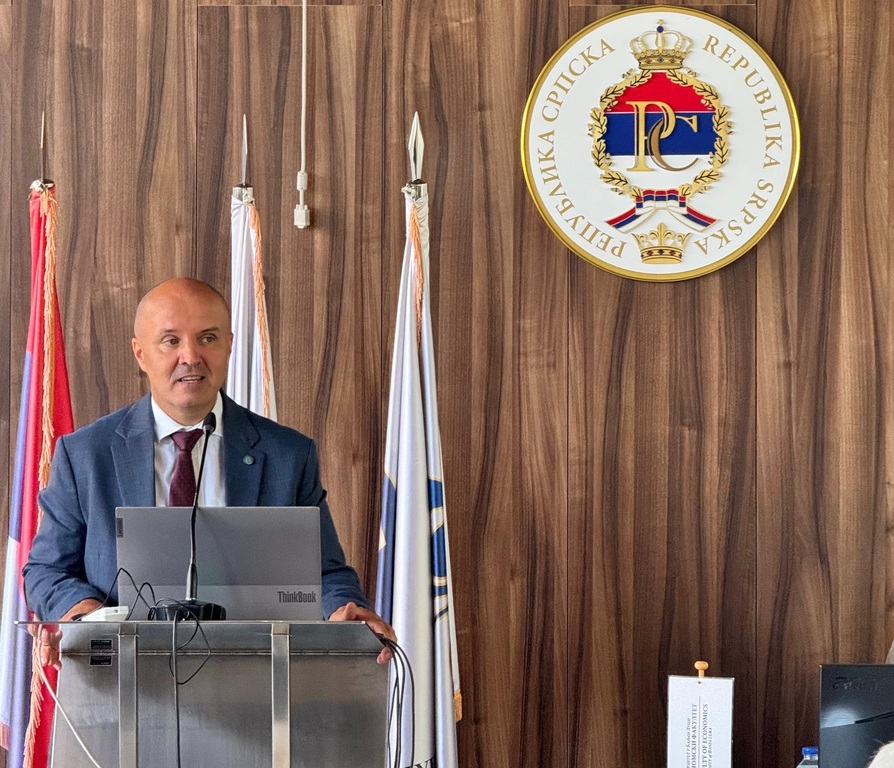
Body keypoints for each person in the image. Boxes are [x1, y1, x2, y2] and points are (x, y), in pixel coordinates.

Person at [24, 277, 394, 665]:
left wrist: (344, 612)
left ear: (229, 345)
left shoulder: (288, 455)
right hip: (123, 675)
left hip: (252, 676)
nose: (191, 356)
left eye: (208, 338)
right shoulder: (85, 454)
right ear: (140, 353)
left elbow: (323, 572)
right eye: (171, 341)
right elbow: (47, 570)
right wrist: (86, 616)